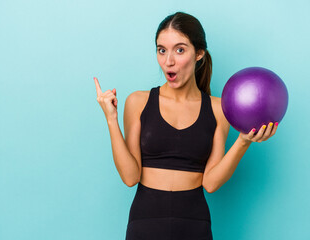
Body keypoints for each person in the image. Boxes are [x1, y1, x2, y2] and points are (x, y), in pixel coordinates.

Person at [93, 11, 278, 240]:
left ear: (199, 53)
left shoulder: (219, 109)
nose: (168, 61)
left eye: (179, 50)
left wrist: (243, 142)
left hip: (194, 222)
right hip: (145, 220)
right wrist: (111, 119)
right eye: (162, 50)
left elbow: (210, 183)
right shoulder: (138, 102)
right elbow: (130, 177)